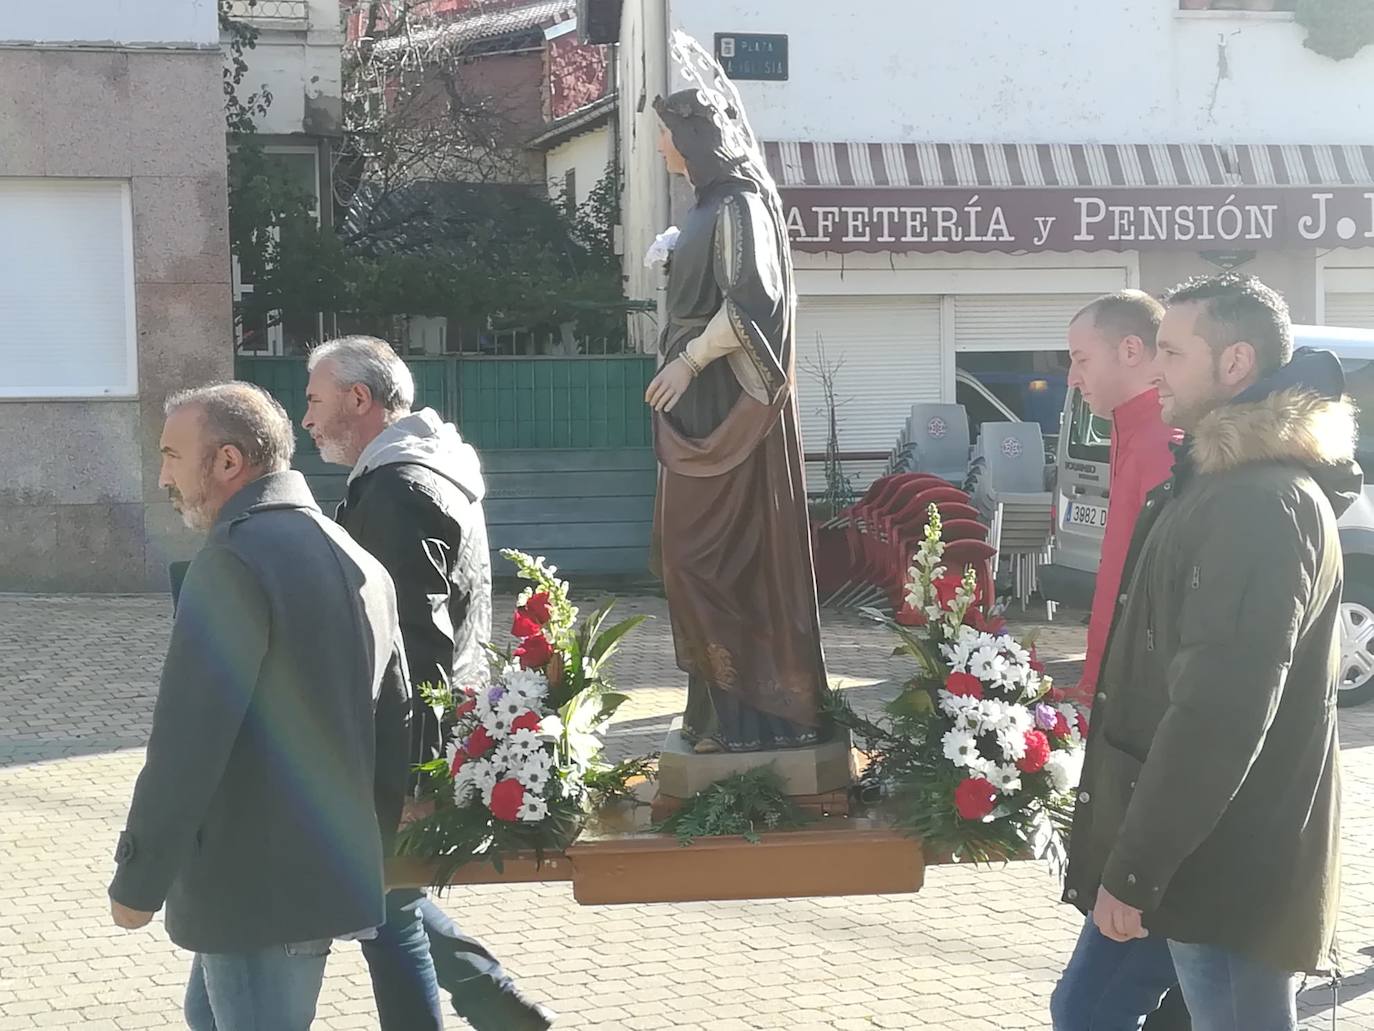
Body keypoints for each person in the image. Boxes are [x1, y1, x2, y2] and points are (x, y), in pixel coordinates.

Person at [1058, 273, 1353, 1031]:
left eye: (1172, 351)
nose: (1154, 369)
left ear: (1236, 364)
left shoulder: (1260, 502)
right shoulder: (1211, 480)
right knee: (1087, 1006)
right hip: (1181, 842)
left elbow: (1221, 709)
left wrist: (1137, 867)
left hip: (1225, 859)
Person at [108, 383, 412, 1031]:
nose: (161, 474)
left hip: (255, 891)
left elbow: (187, 742)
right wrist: (369, 858)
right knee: (205, 1013)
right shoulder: (360, 559)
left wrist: (138, 880)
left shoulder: (236, 560)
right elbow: (396, 731)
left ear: (226, 462)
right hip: (309, 881)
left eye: (170, 454)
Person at [303, 336, 554, 1031]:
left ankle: (496, 1000)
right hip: (427, 723)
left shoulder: (397, 488)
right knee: (384, 891)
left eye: (315, 400)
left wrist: (414, 776)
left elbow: (417, 640)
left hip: (406, 732)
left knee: (383, 897)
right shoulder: (422, 471)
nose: (306, 420)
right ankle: (496, 1000)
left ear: (360, 399)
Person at [644, 82, 831, 754]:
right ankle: (717, 711)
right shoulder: (705, 207)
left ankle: (755, 713)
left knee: (709, 559)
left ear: (692, 137)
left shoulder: (739, 204)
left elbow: (754, 303)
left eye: (666, 131)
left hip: (723, 409)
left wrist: (689, 360)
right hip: (692, 413)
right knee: (681, 557)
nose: (660, 141)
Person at [1054, 292, 1190, 1031]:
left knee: (1091, 1003)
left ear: (1131, 352)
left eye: (1080, 358)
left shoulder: (1166, 443)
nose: (1072, 377)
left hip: (1154, 742)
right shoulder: (1131, 436)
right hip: (1124, 722)